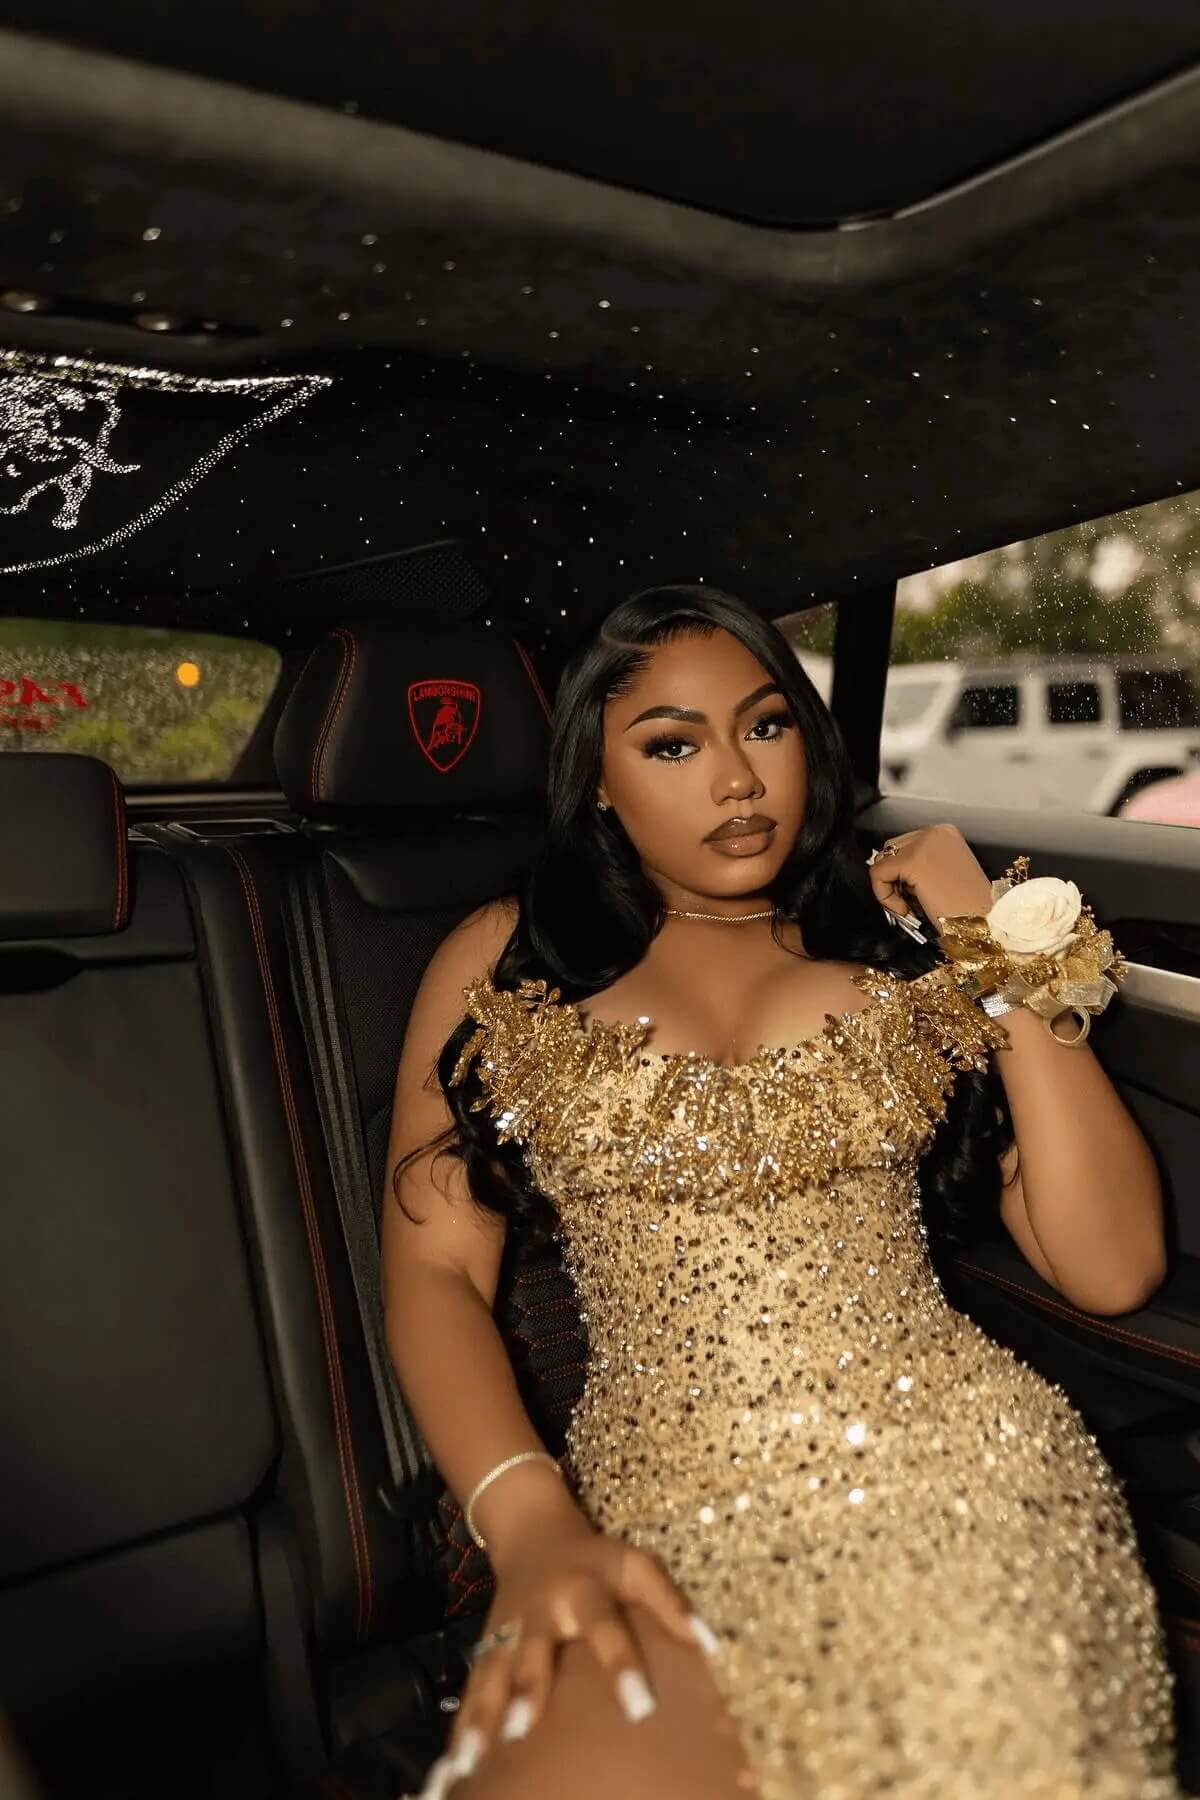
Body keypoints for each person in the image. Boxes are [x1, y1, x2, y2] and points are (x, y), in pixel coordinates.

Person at [383, 586, 1178, 1800]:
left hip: (960, 1476)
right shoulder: (505, 957)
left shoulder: (900, 952)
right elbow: (435, 1271)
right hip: (647, 1496)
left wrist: (988, 942)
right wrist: (531, 1522)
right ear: (599, 783)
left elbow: (1112, 1265)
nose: (738, 778)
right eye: (672, 745)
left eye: (766, 726)